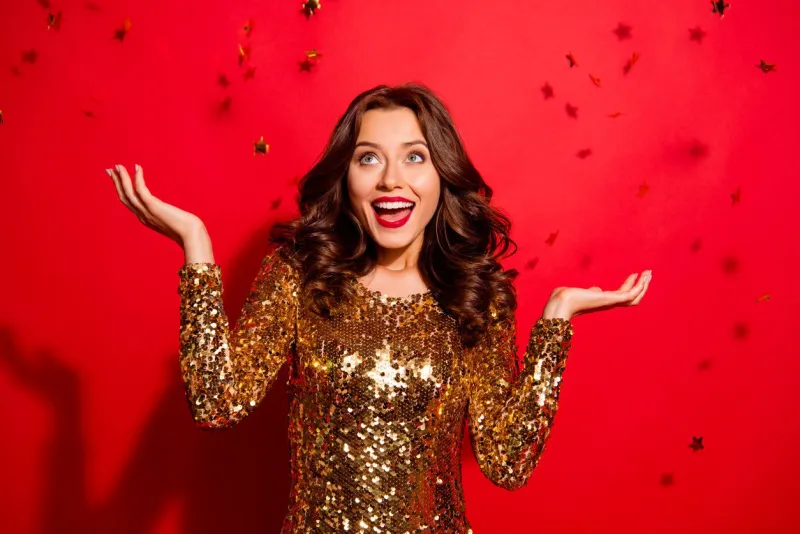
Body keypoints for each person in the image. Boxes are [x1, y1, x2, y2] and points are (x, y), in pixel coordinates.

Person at [106, 82, 652, 533]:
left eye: (415, 157)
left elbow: (508, 463)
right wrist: (196, 246)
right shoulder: (301, 274)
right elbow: (215, 404)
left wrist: (556, 320)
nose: (392, 178)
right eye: (369, 158)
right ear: (347, 178)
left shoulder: (473, 298)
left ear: (441, 174)